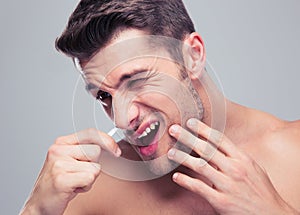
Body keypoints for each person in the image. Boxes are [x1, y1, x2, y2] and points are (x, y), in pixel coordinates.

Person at [21, 0, 300, 214]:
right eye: (103, 96)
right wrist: (36, 209)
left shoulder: (294, 153)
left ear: (193, 55)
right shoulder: (94, 187)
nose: (121, 118)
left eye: (136, 80)